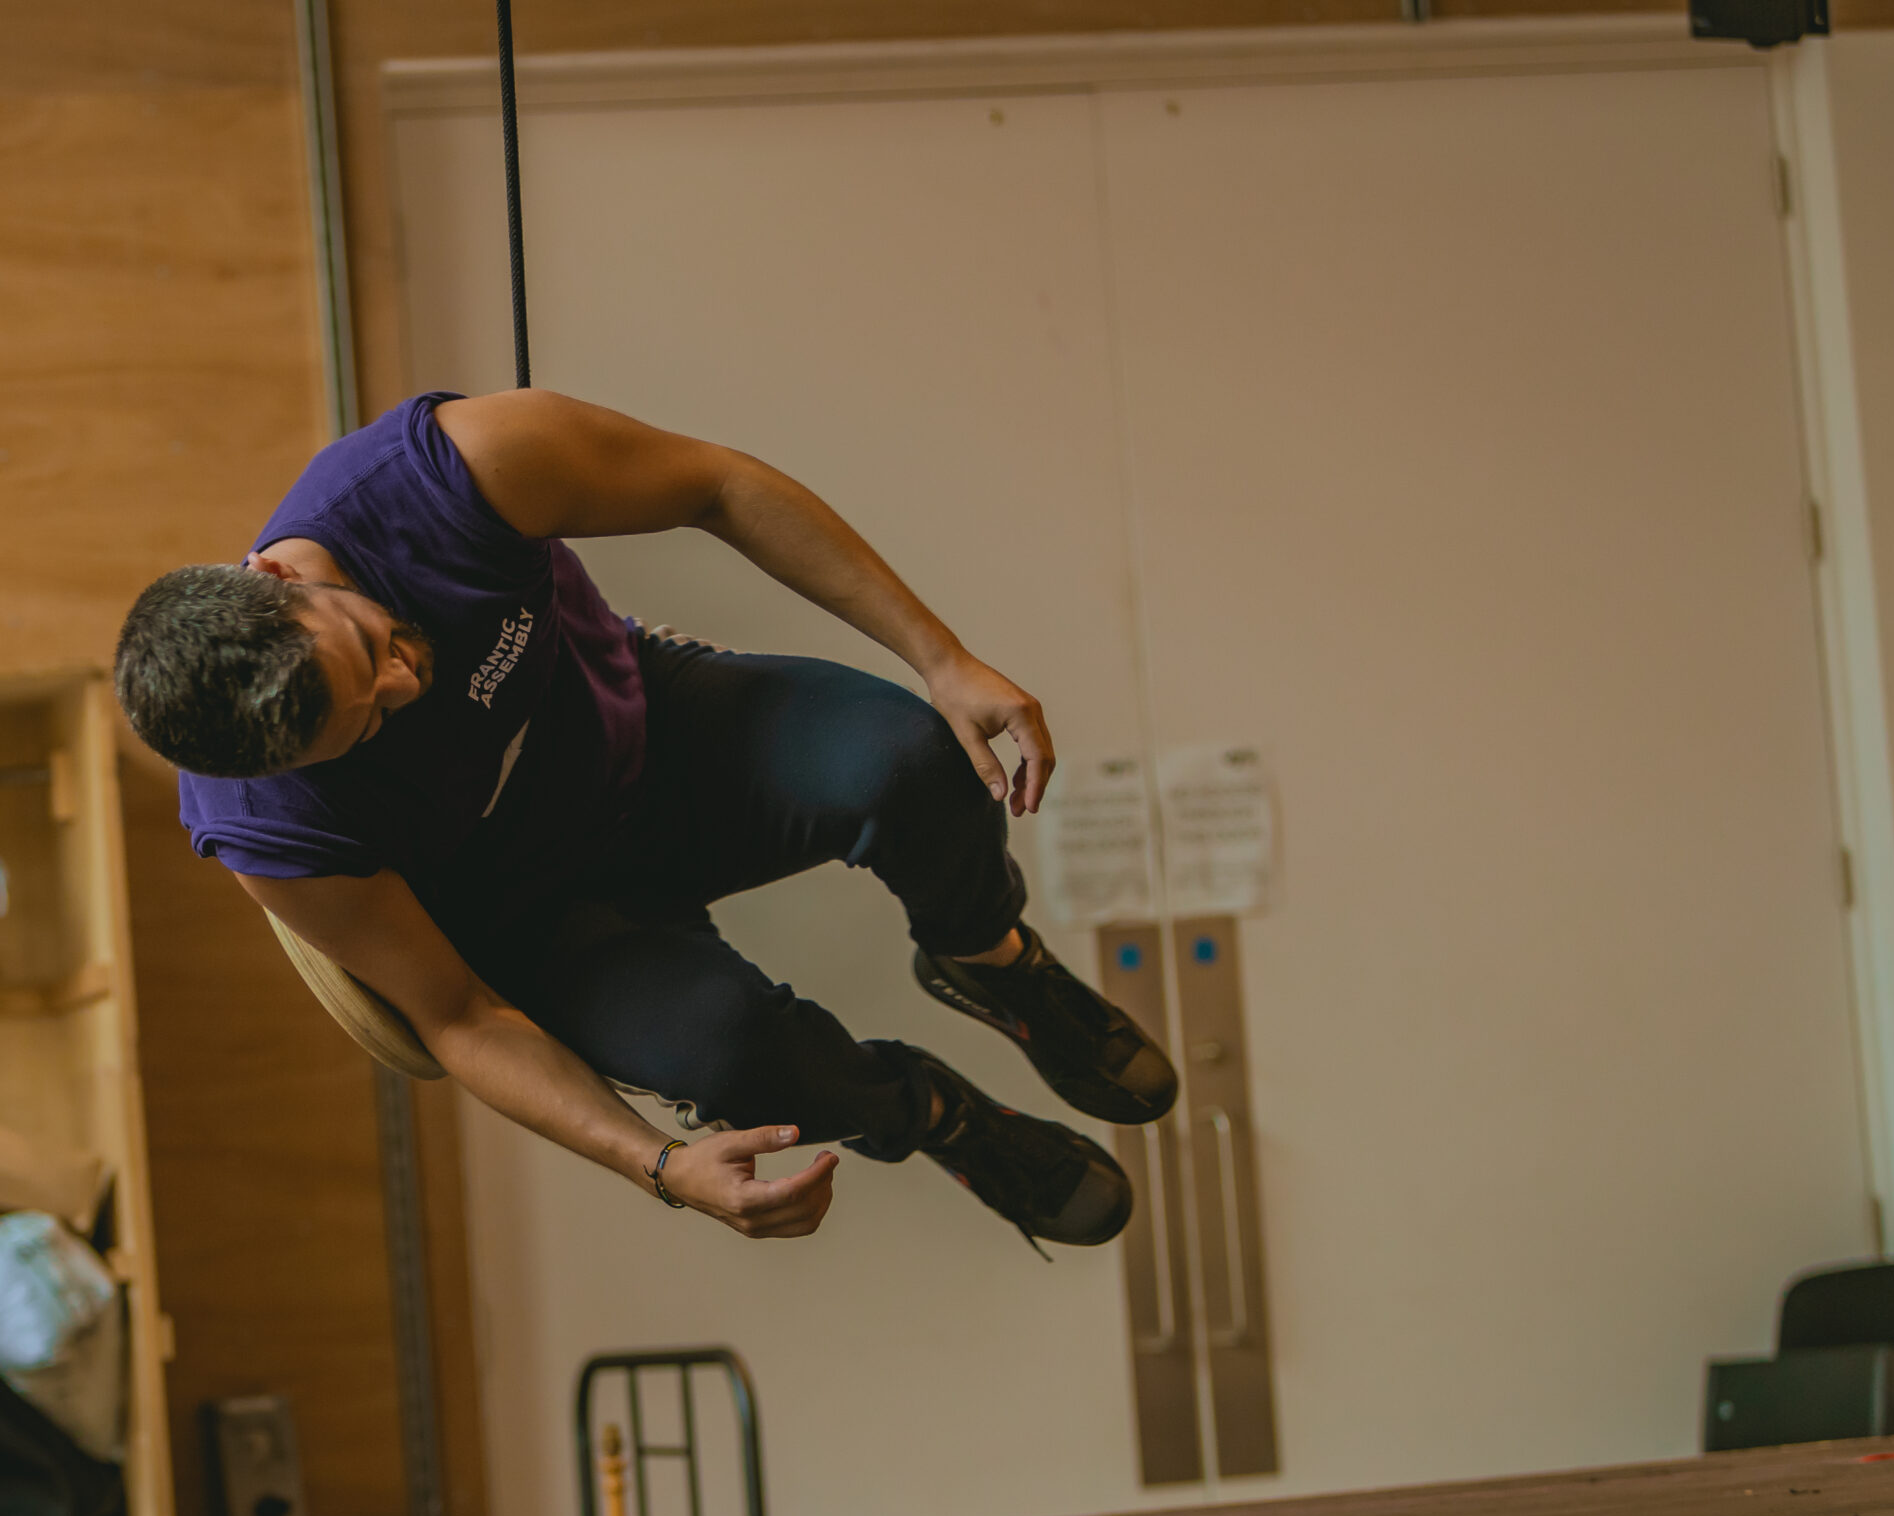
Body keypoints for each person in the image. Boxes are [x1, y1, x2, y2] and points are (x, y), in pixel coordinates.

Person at [113, 389, 1177, 1250]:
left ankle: (987, 959)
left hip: (652, 736)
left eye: (370, 651)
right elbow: (457, 1018)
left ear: (269, 576)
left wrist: (942, 661)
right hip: (541, 913)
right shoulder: (267, 827)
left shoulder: (444, 474)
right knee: (727, 1057)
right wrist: (657, 1168)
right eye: (364, 727)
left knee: (910, 758)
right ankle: (939, 1117)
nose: (399, 686)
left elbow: (714, 485)